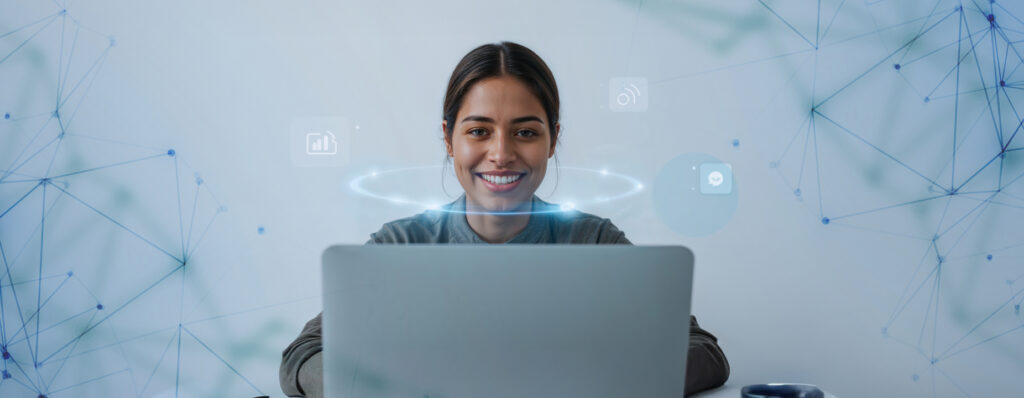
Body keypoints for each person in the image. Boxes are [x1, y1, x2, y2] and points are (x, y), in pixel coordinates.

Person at [280, 41, 730, 397]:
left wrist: (600, 382)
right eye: (478, 131)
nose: (501, 154)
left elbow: (704, 351)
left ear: (553, 139)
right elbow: (303, 356)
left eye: (526, 132)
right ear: (448, 139)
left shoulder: (593, 241)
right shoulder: (399, 246)